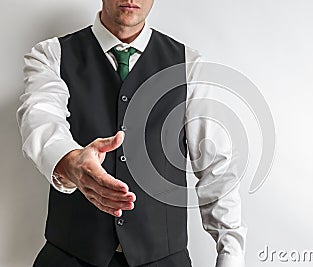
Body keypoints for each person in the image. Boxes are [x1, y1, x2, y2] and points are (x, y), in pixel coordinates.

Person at [17, 1, 247, 266]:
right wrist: (70, 162)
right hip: (70, 257)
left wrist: (231, 254)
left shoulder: (189, 66)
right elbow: (39, 117)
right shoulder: (51, 55)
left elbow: (216, 169)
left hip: (163, 260)